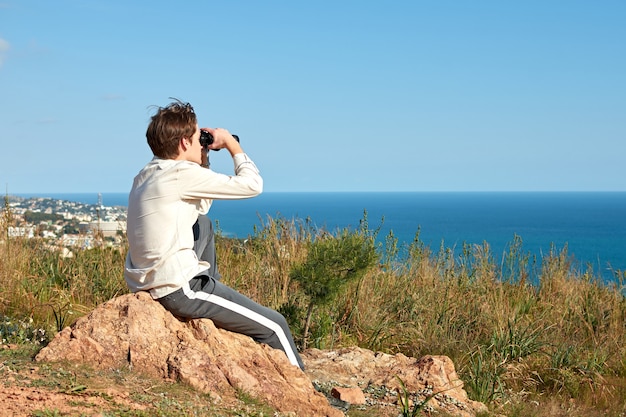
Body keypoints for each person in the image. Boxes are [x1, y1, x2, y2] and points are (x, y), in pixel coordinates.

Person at [124, 100, 304, 370]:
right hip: (177, 289)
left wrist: (203, 157)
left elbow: (201, 205)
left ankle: (213, 288)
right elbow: (253, 185)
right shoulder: (180, 175)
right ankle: (307, 394)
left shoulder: (147, 174)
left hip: (148, 280)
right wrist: (232, 144)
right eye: (199, 138)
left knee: (203, 224)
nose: (202, 142)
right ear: (185, 143)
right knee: (275, 325)